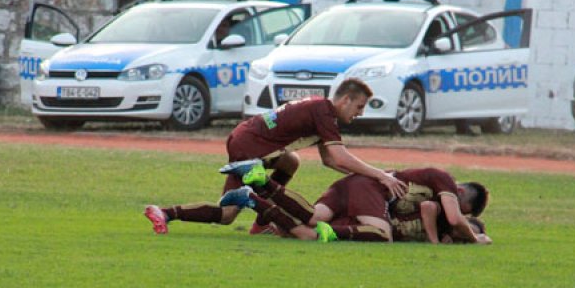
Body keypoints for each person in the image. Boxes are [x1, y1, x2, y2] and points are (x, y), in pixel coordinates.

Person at [144, 78, 407, 235]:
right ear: (346, 100)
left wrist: (370, 178)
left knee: (290, 161)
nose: (360, 113)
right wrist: (380, 175)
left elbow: (329, 160)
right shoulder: (325, 113)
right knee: (227, 215)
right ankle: (165, 213)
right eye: (359, 106)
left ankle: (261, 222)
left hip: (247, 137)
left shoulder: (322, 110)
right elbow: (339, 157)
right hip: (249, 146)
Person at [220, 166, 490, 244]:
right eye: (461, 208)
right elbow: (451, 218)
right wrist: (473, 238)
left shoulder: (437, 209)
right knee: (381, 234)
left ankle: (256, 190)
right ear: (459, 192)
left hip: (357, 191)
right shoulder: (444, 181)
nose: (455, 212)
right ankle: (332, 233)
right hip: (369, 189)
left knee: (311, 221)